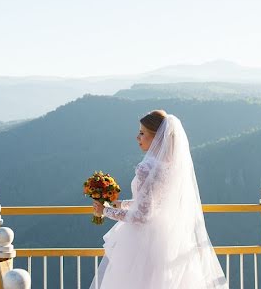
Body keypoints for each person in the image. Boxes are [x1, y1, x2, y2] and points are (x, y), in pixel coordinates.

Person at [90, 110, 227, 288]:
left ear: (156, 137)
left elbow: (142, 215)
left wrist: (105, 211)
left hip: (144, 243)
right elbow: (155, 203)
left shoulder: (146, 168)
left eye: (142, 133)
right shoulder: (170, 166)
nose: (137, 137)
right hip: (167, 238)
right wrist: (122, 204)